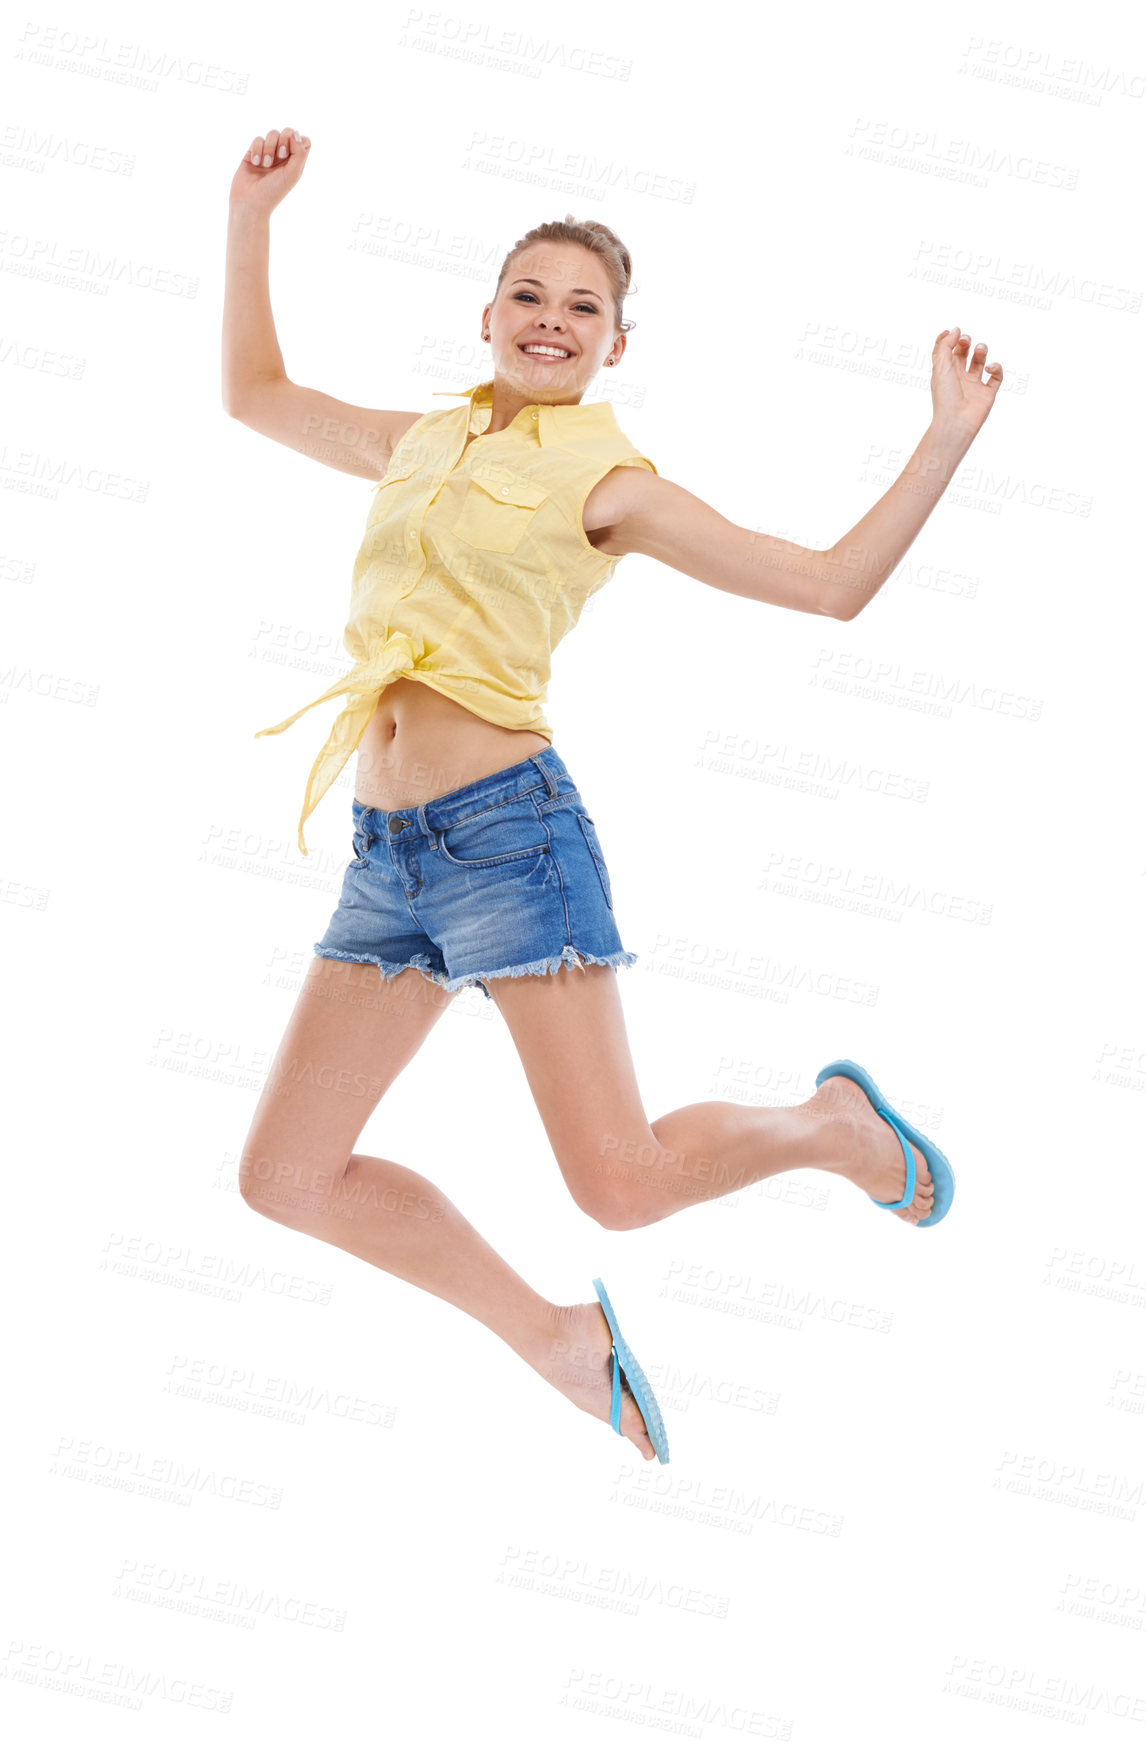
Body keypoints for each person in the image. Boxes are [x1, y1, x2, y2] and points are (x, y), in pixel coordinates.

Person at [224, 127, 1003, 1463]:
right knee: (288, 1176)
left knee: (623, 1186)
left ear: (613, 345)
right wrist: (252, 215)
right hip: (386, 855)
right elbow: (253, 392)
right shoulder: (420, 440)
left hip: (508, 842)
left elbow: (825, 584)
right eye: (528, 295)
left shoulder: (606, 484)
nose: (550, 320)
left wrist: (943, 440)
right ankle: (551, 1339)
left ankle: (830, 1127)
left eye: (581, 307)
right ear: (486, 316)